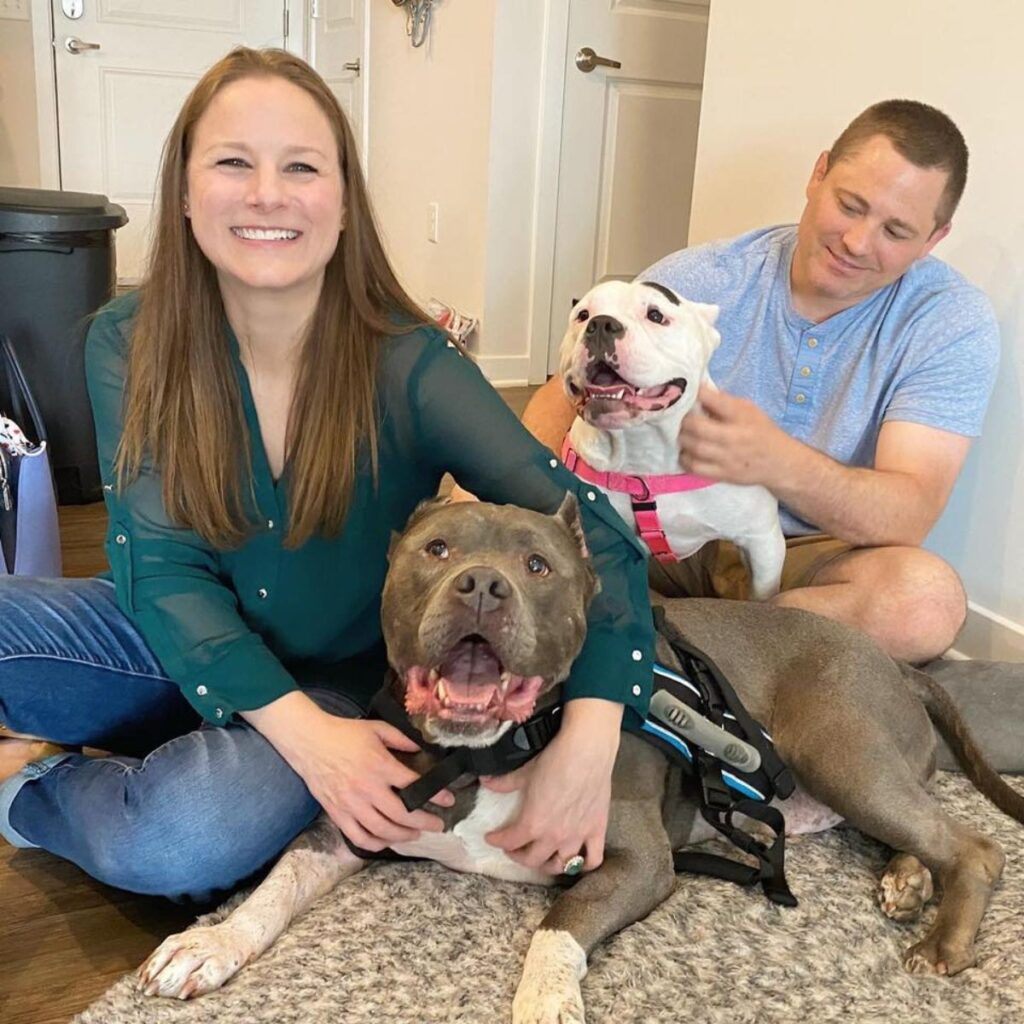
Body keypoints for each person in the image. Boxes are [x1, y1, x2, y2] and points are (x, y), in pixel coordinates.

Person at [0, 48, 655, 901]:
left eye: (301, 167)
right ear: (185, 193)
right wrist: (306, 744)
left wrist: (590, 743)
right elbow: (160, 569)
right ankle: (141, 732)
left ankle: (32, 787)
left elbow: (600, 539)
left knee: (178, 839)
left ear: (344, 203)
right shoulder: (126, 339)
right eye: (233, 162)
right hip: (168, 638)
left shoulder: (411, 362)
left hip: (336, 684)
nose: (267, 194)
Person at [524, 99, 1000, 664]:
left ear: (934, 238)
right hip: (652, 524)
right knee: (524, 553)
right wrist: (485, 499)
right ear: (818, 174)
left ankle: (680, 642)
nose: (857, 242)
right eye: (850, 205)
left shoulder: (950, 321)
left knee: (926, 603)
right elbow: (567, 395)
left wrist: (776, 460)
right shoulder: (698, 280)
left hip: (814, 555)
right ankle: (722, 648)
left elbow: (908, 514)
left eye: (896, 231)